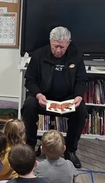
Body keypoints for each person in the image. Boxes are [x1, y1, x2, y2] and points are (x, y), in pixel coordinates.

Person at [22, 26, 88, 167]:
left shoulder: (76, 56)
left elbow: (81, 80)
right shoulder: (39, 54)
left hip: (67, 99)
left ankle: (70, 150)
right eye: (55, 46)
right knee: (28, 106)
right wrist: (38, 94)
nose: (58, 50)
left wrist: (78, 96)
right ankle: (30, 146)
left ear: (68, 43)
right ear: (50, 41)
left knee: (81, 111)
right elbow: (30, 80)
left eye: (62, 47)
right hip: (43, 98)